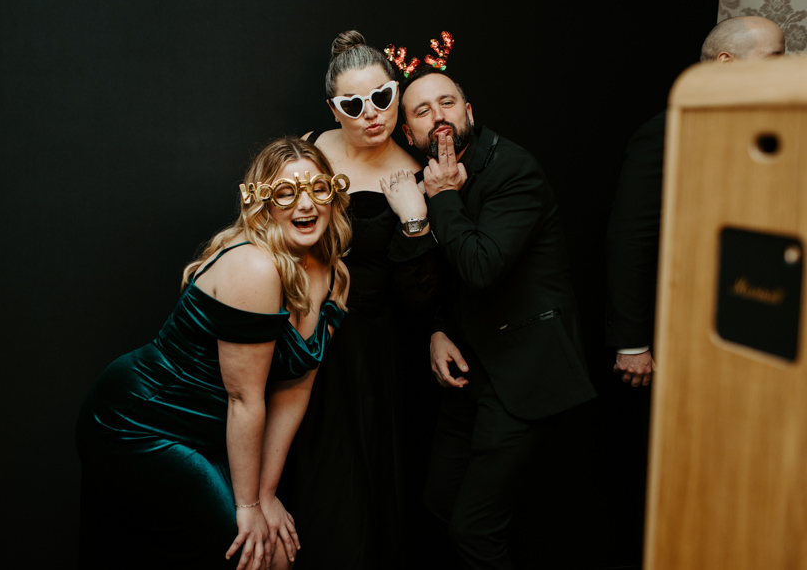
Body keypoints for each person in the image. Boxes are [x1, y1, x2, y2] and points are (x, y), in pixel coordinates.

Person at [76, 137, 352, 570]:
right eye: (285, 192)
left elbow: (294, 392)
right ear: (263, 203)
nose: (306, 205)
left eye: (318, 189)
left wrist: (265, 493)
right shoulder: (255, 267)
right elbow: (245, 398)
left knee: (279, 555)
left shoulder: (335, 276)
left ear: (333, 193)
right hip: (142, 421)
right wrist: (247, 508)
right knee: (253, 553)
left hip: (214, 431)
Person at [391, 63, 596, 569]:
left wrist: (441, 198)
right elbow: (436, 275)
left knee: (475, 530)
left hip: (525, 371)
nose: (437, 115)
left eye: (447, 102)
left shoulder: (512, 169)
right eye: (422, 110)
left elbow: (481, 268)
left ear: (468, 112)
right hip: (471, 370)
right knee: (438, 504)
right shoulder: (420, 179)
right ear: (409, 133)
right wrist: (438, 329)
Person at [279, 31, 439, 569]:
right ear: (333, 108)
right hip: (305, 334)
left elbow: (420, 294)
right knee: (312, 472)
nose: (371, 114)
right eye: (353, 104)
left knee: (369, 481)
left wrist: (414, 218)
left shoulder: (417, 171)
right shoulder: (310, 152)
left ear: (397, 91)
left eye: (382, 98)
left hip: (375, 351)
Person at [607, 15, 786, 387]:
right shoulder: (668, 130)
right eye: (775, 56)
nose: (784, 66)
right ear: (726, 62)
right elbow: (632, 238)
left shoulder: (768, 129)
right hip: (679, 329)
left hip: (746, 325)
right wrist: (632, 342)